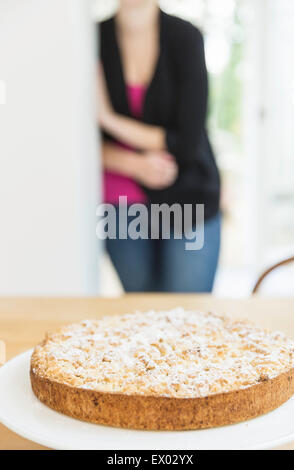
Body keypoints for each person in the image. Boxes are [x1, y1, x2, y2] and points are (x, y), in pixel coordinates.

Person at [97, 0, 221, 293]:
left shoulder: (185, 37)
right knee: (141, 313)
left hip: (188, 197)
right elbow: (76, 140)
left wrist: (109, 119)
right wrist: (133, 164)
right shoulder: (91, 39)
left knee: (187, 312)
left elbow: (187, 142)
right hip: (122, 202)